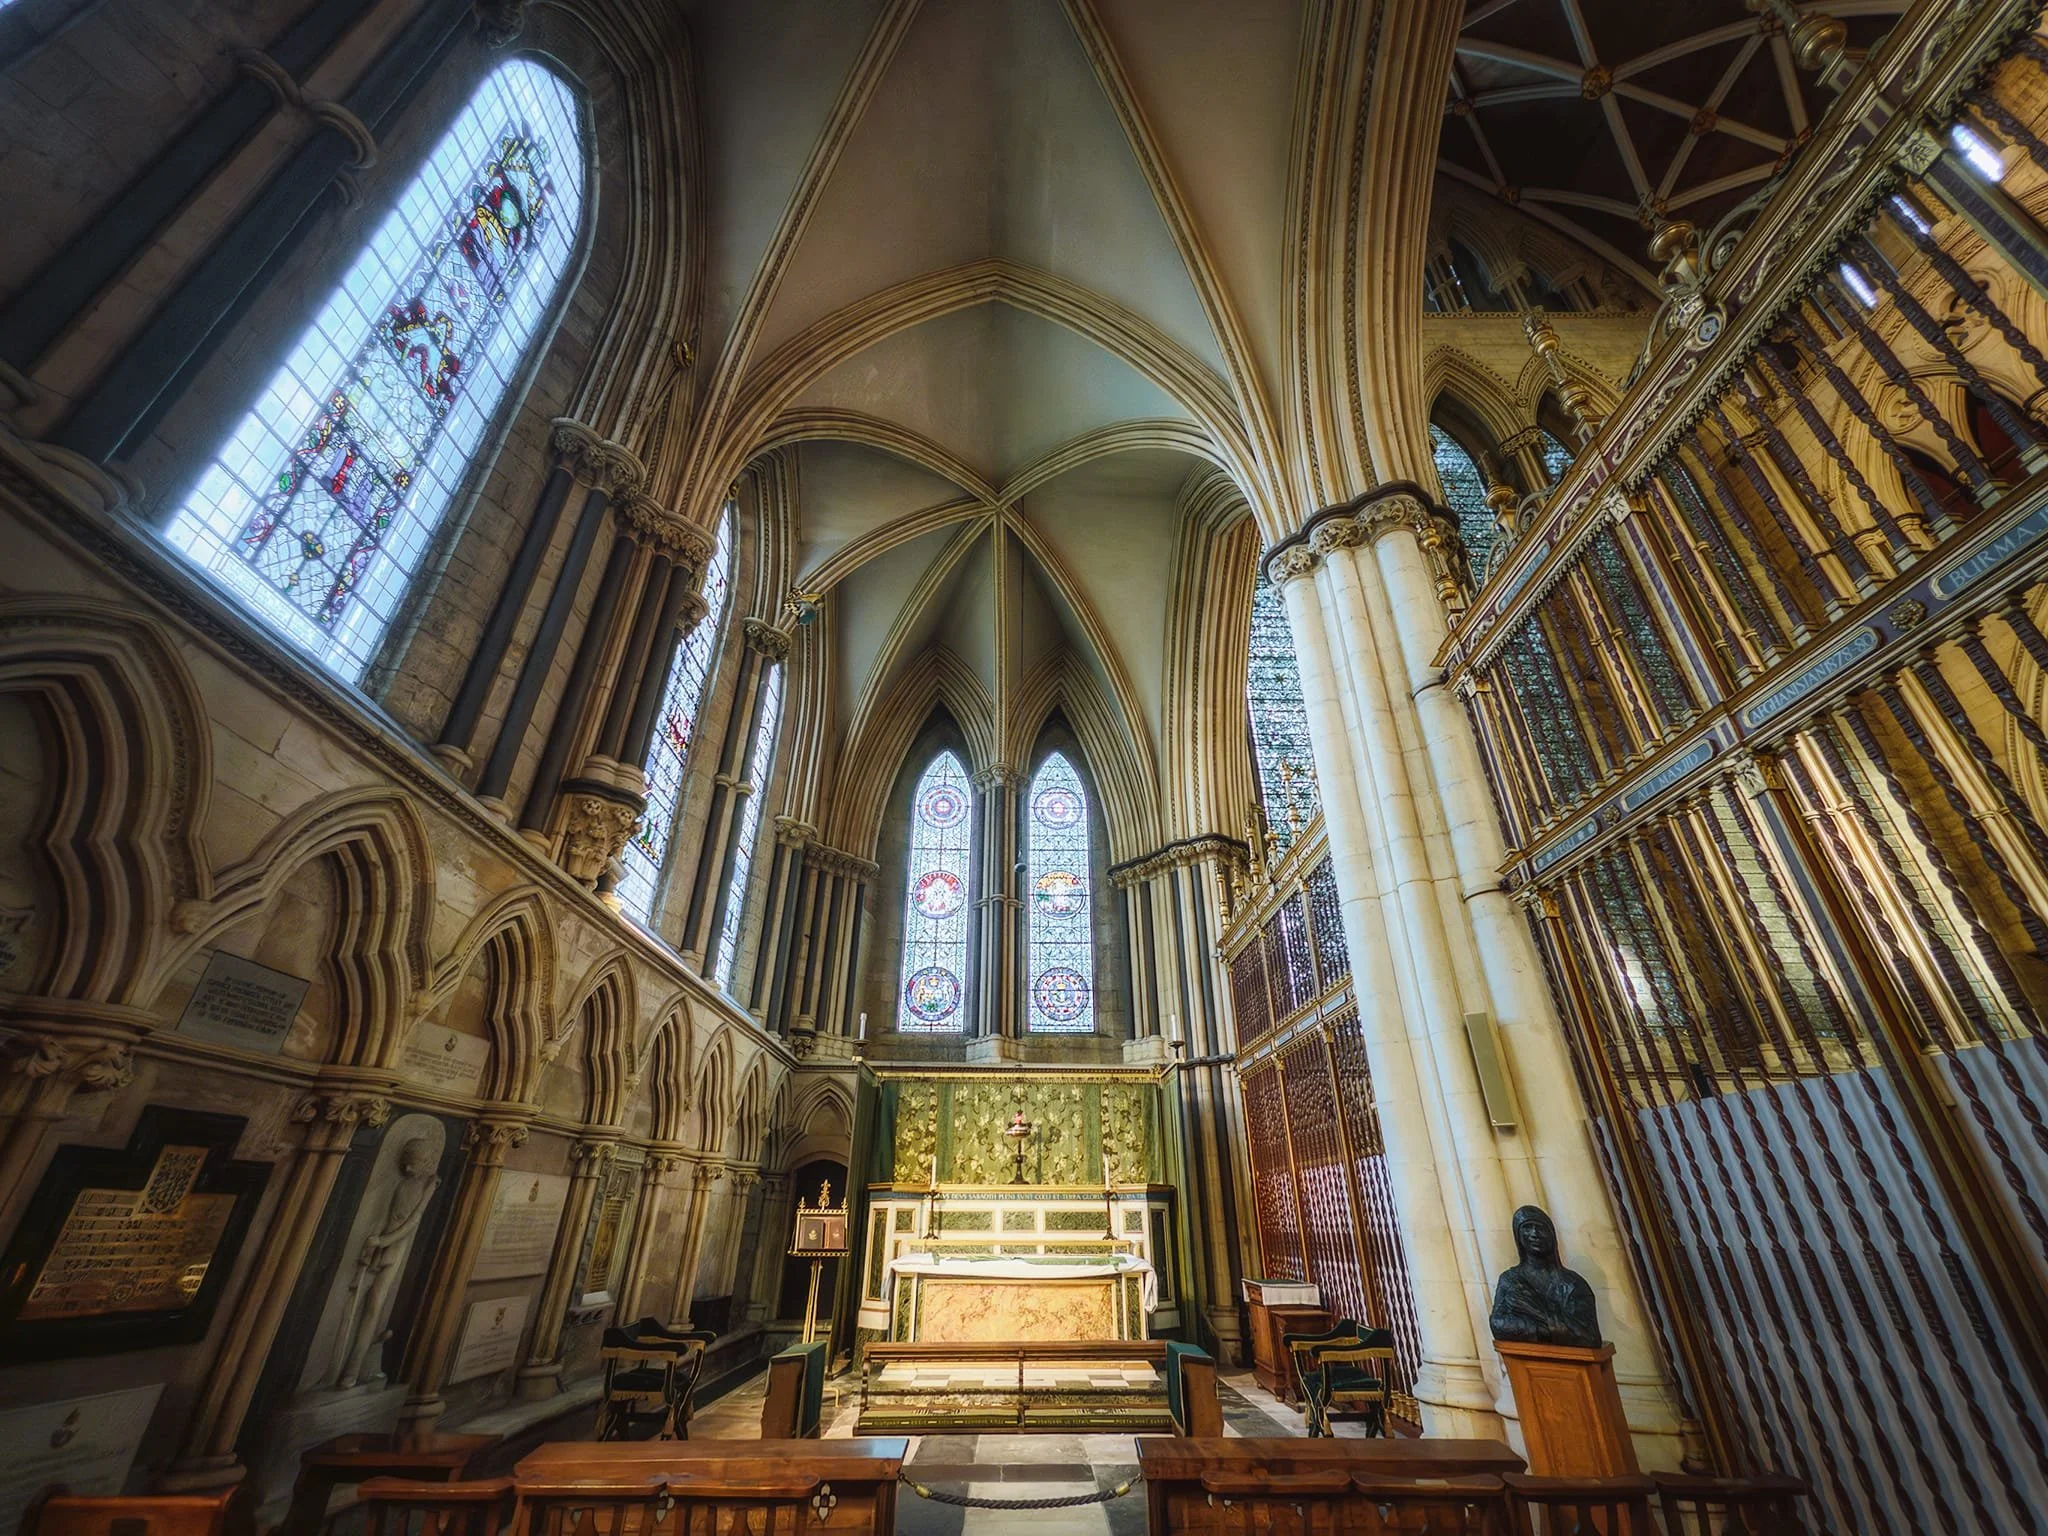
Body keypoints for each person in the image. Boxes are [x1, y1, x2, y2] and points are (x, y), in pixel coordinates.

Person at [334, 1137, 440, 1387]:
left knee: (374, 1306)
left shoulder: (427, 1186)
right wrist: (375, 1243)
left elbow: (414, 1220)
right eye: (409, 1162)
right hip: (380, 1244)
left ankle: (354, 1366)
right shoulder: (402, 1186)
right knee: (367, 1305)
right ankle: (357, 1363)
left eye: (417, 1162)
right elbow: (388, 1215)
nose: (411, 1168)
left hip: (392, 1247)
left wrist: (383, 1241)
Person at [1488, 1204, 1601, 1349]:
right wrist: (1553, 1329)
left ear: (1551, 1235)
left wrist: (1533, 1313)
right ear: (1518, 1236)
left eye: (1540, 1228)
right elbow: (1498, 1324)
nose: (1534, 1234)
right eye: (1527, 1227)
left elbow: (1588, 1337)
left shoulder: (1572, 1284)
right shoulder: (1510, 1280)